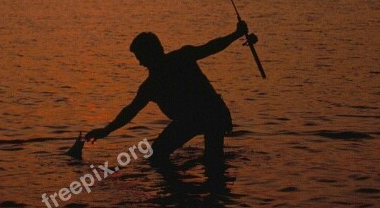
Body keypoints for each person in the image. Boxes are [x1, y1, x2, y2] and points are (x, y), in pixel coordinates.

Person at [86, 20, 255, 173]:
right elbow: (130, 111)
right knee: (161, 155)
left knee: (203, 160)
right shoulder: (155, 81)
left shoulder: (178, 60)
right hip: (198, 118)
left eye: (141, 58)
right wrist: (105, 130)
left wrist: (236, 34)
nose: (140, 63)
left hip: (211, 114)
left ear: (151, 53)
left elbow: (212, 47)